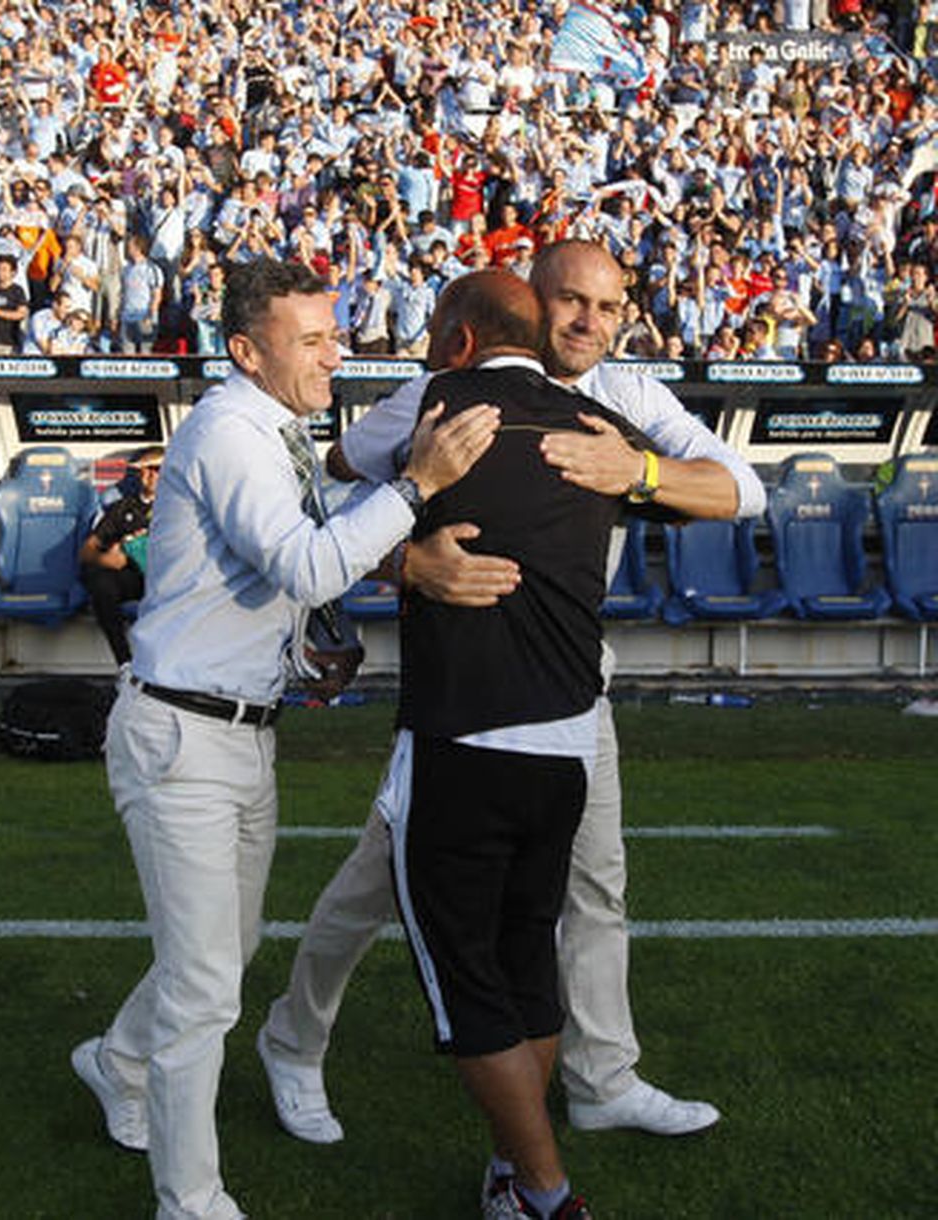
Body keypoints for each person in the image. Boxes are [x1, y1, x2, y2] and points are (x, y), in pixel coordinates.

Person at [258, 240, 765, 1155]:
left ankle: (602, 1080)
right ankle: (293, 1043)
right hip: (464, 704)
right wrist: (409, 560)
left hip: (575, 695)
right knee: (373, 888)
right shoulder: (437, 392)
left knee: (595, 888)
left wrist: (637, 474)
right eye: (571, 302)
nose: (589, 323)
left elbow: (746, 490)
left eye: (609, 309)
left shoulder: (632, 400)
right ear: (528, 305)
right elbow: (324, 497)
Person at [69, 258, 500, 1220]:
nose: (333, 353)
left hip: (233, 728)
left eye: (334, 333)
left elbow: (279, 571)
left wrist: (297, 653)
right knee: (206, 987)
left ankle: (113, 1060)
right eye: (311, 340)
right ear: (246, 352)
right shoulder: (229, 429)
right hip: (182, 738)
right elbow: (306, 565)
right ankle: (191, 1199)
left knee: (223, 952)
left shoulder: (268, 426)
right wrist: (419, 485)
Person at [370, 269, 668, 1219]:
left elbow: (320, 517)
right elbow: (727, 489)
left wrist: (405, 557)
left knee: (469, 985)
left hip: (465, 736)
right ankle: (513, 1172)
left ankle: (547, 1192)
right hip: (569, 745)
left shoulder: (438, 407)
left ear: (457, 339)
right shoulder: (597, 432)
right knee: (527, 963)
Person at [78, 446, 163, 665]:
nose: (150, 475)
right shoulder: (122, 507)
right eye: (144, 470)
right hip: (133, 577)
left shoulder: (180, 508)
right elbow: (88, 550)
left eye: (157, 469)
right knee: (100, 582)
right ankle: (125, 664)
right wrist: (112, 559)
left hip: (167, 578)